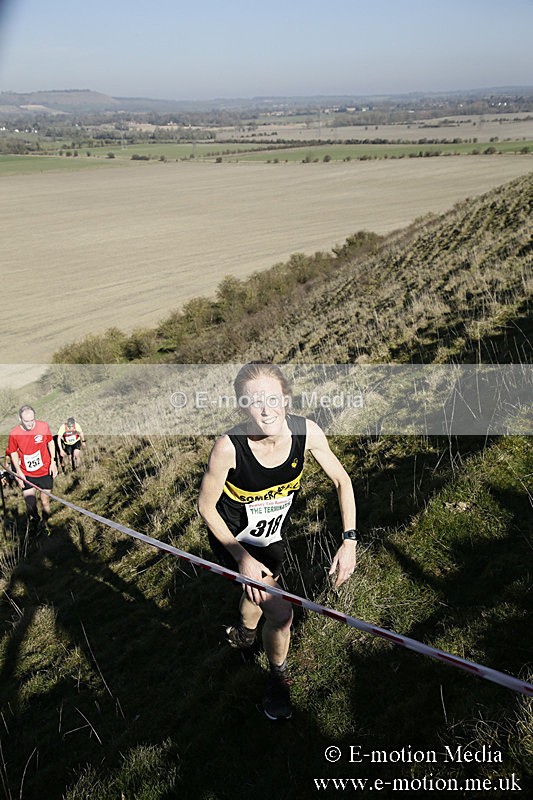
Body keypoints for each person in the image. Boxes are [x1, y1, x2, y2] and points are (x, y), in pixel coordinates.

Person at [198, 362, 359, 720]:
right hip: (232, 539)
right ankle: (277, 678)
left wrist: (349, 542)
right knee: (283, 613)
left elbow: (342, 481)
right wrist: (241, 557)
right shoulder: (229, 447)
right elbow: (205, 507)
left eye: (273, 398)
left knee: (256, 597)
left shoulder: (307, 433)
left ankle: (244, 633)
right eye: (255, 401)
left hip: (270, 538)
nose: (266, 409)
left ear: (286, 398)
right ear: (242, 406)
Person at [6, 405, 58, 528]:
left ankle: (45, 524)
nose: (30, 424)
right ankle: (35, 518)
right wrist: (18, 471)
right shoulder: (14, 433)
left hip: (45, 470)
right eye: (26, 421)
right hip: (26, 473)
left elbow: (50, 442)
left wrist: (53, 461)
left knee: (45, 501)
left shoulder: (43, 426)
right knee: (30, 504)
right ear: (20, 419)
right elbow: (13, 452)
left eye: (32, 421)